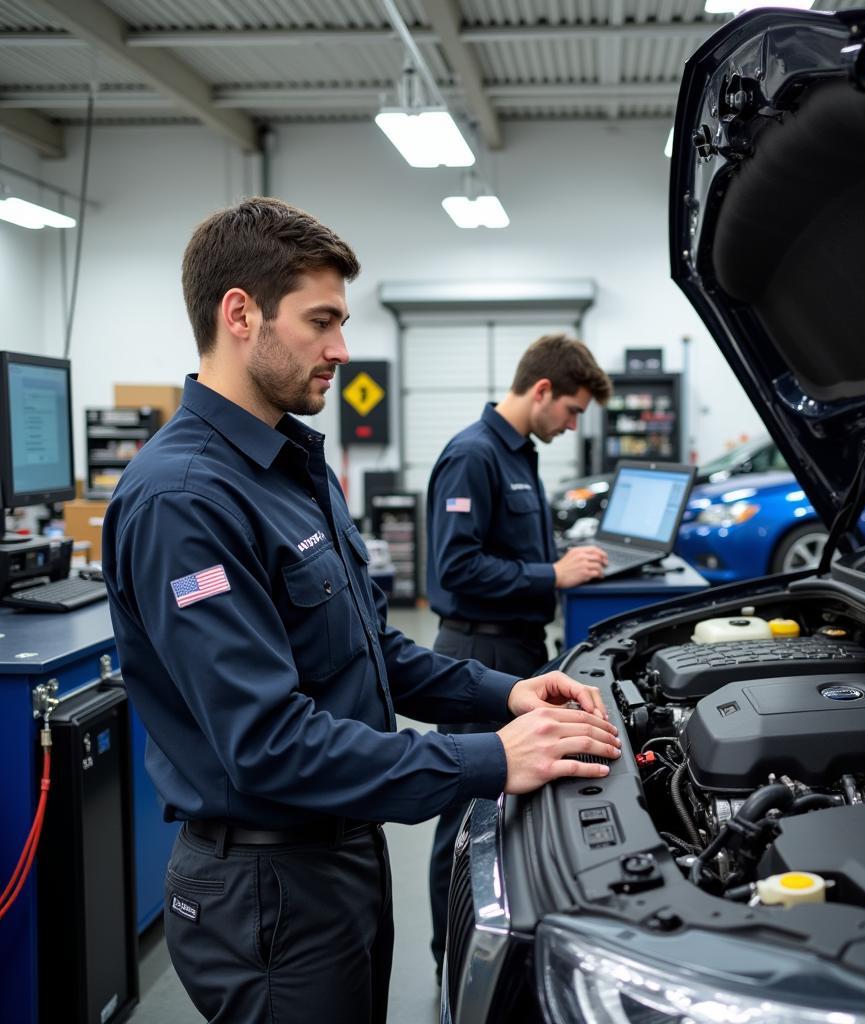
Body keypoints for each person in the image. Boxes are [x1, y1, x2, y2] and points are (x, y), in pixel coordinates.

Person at [101, 197, 621, 1024]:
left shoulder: (293, 471)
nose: (343, 349)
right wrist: (491, 760)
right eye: (322, 322)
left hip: (339, 859)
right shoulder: (185, 500)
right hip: (269, 895)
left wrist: (506, 695)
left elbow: (375, 652)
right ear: (240, 313)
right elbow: (269, 746)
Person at [424, 332, 613, 976]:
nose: (572, 423)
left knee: (504, 810)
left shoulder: (519, 454)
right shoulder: (472, 456)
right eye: (572, 409)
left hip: (517, 648)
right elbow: (456, 568)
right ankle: (450, 959)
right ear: (542, 391)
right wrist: (551, 576)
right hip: (481, 647)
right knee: (464, 814)